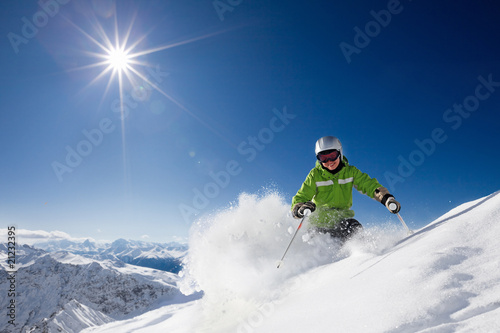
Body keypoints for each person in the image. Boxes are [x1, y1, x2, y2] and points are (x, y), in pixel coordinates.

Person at [291, 136, 401, 242]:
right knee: (315, 242)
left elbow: (369, 185)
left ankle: (361, 257)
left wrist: (386, 198)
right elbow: (302, 195)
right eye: (323, 158)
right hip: (319, 224)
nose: (329, 161)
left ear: (340, 153)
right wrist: (299, 208)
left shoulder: (350, 172)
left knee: (355, 228)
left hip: (342, 222)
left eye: (332, 155)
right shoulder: (315, 175)